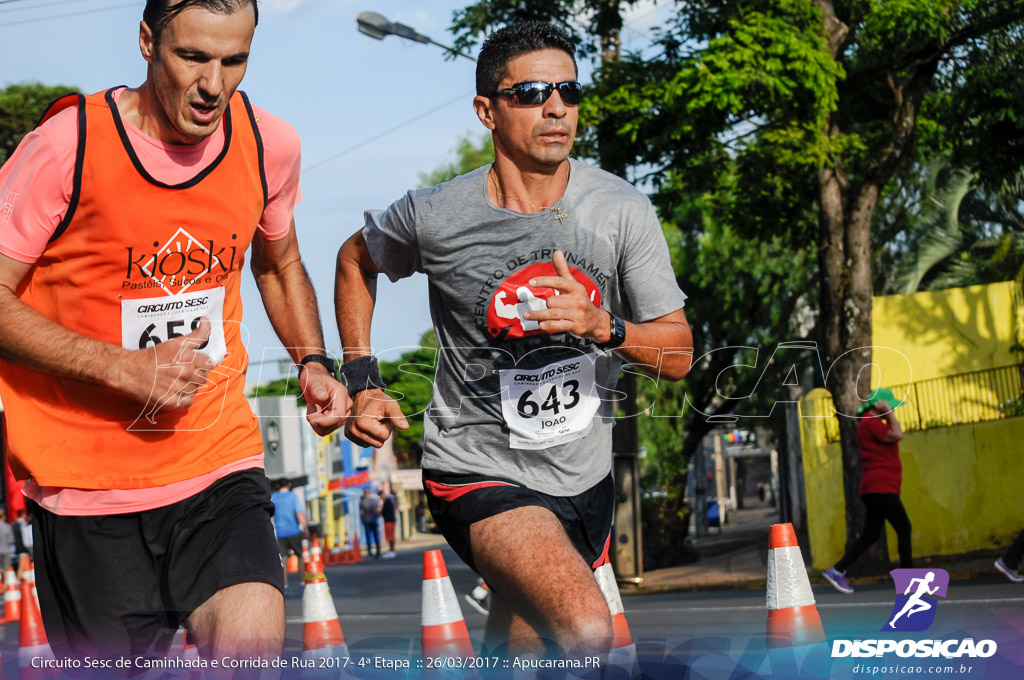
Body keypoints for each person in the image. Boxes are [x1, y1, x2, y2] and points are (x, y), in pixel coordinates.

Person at [0, 0, 350, 666]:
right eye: (192, 57)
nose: (213, 84)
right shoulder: (66, 148)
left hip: (216, 464)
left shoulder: (267, 143)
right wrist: (118, 366)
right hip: (85, 492)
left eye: (234, 60)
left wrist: (313, 361)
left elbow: (279, 263)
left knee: (250, 648)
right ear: (146, 43)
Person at [335, 21, 692, 660]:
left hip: (582, 478)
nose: (556, 107)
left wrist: (603, 326)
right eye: (530, 92)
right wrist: (362, 378)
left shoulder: (620, 209)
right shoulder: (438, 214)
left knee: (527, 658)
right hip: (476, 467)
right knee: (585, 627)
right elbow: (354, 261)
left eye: (568, 91)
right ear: (487, 111)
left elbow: (679, 353)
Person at [824, 387, 912, 594]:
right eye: (890, 406)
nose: (893, 410)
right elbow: (898, 433)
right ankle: (908, 580)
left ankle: (837, 570)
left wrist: (887, 414)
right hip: (881, 487)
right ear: (880, 405)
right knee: (904, 528)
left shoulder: (871, 424)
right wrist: (888, 413)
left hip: (877, 487)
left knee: (870, 535)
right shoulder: (871, 423)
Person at [271, 479, 308, 588]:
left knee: (283, 558)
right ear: (289, 485)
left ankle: (285, 584)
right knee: (300, 556)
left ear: (278, 485)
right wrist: (305, 527)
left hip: (281, 532)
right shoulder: (293, 496)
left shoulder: (274, 497)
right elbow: (299, 513)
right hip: (294, 531)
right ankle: (302, 581)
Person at [359, 487, 383, 558]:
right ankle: (378, 551)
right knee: (376, 536)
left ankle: (370, 552)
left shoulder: (362, 502)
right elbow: (379, 510)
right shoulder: (374, 500)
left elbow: (362, 513)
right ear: (369, 493)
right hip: (374, 520)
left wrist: (363, 520)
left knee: (368, 537)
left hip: (367, 520)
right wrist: (377, 516)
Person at [379, 488, 398, 558]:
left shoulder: (388, 501)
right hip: (388, 520)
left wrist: (381, 510)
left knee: (390, 536)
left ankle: (392, 551)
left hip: (390, 520)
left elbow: (386, 511)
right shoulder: (386, 501)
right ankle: (391, 550)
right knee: (389, 536)